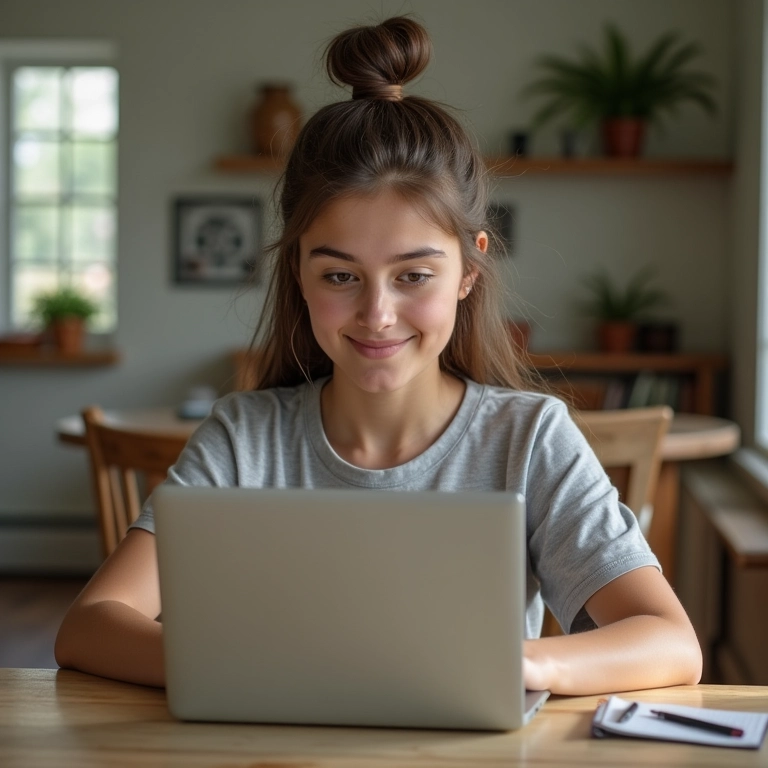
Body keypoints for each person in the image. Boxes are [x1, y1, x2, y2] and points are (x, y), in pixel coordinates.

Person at [55, 15, 702, 693]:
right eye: (340, 275)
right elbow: (90, 625)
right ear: (298, 270)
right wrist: (256, 668)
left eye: (413, 275)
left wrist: (516, 663)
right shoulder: (244, 440)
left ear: (469, 270)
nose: (377, 314)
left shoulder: (529, 440)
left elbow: (671, 642)